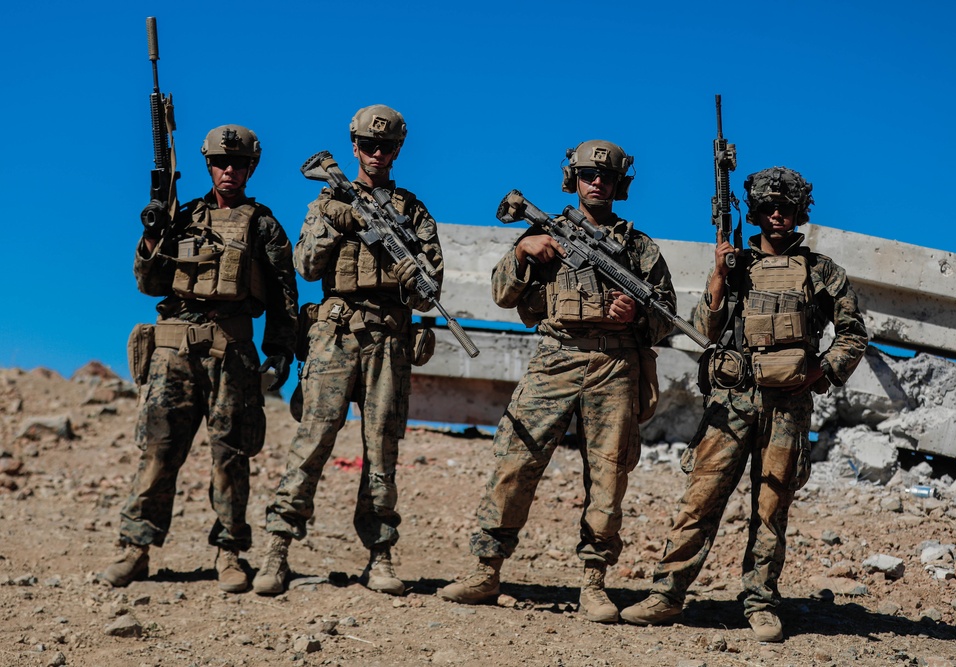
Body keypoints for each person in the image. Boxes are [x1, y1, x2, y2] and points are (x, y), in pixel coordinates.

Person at [620, 167, 869, 640]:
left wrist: (819, 372)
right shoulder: (734, 265)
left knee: (771, 506)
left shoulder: (822, 271)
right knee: (700, 499)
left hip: (788, 407)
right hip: (730, 403)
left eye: (787, 208)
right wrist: (717, 276)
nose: (777, 216)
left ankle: (760, 602)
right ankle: (667, 593)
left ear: (799, 213)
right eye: (769, 207)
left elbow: (853, 334)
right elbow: (700, 330)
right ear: (753, 211)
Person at [439, 140, 676, 624]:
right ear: (574, 179)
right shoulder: (544, 232)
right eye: (589, 175)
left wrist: (635, 316)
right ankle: (486, 569)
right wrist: (524, 251)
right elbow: (503, 294)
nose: (597, 183)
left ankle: (593, 582)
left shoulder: (638, 248)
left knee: (608, 478)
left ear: (619, 184)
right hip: (555, 361)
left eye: (606, 177)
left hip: (614, 367)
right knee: (515, 461)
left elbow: (668, 317)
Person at [252, 104, 442, 596]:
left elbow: (430, 293)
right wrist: (337, 221)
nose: (377, 154)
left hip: (389, 342)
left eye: (387, 147)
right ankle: (276, 549)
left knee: (382, 453)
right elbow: (307, 266)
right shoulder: (326, 202)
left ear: (398, 150)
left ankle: (380, 556)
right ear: (354, 146)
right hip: (336, 336)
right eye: (368, 145)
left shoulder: (413, 212)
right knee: (312, 442)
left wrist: (411, 280)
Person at [103, 125, 299, 592]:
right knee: (158, 451)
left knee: (230, 457)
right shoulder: (181, 216)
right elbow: (149, 285)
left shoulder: (263, 225)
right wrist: (151, 238)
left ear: (251, 167)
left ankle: (229, 552)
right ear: (208, 165)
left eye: (237, 163)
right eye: (218, 162)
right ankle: (136, 549)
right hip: (172, 352)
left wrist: (279, 352)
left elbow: (283, 296)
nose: (227, 170)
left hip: (231, 351)